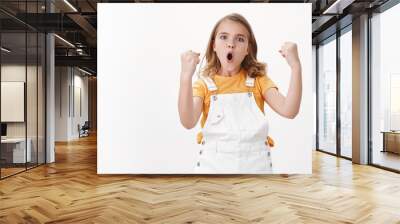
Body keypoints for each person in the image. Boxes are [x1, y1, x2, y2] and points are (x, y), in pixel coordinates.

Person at [178, 13, 302, 174]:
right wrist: (185, 76)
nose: (231, 45)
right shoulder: (204, 85)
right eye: (224, 37)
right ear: (213, 45)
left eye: (240, 39)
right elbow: (188, 121)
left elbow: (289, 110)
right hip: (212, 171)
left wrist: (295, 66)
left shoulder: (258, 80)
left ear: (247, 49)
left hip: (256, 171)